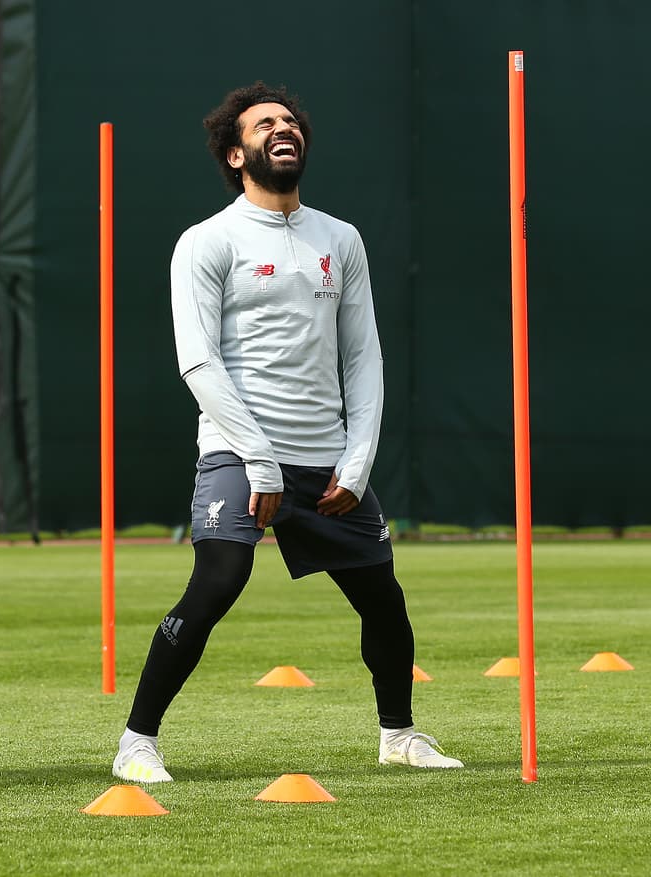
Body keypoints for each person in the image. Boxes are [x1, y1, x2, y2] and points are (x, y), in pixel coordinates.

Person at [110, 82, 463, 783]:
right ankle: (136, 742)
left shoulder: (342, 239)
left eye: (292, 121)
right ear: (236, 151)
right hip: (241, 454)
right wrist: (260, 460)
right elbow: (198, 360)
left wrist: (356, 464)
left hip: (328, 460)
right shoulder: (206, 241)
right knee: (219, 578)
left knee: (383, 598)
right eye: (266, 122)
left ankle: (399, 733)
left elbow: (363, 357)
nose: (285, 128)